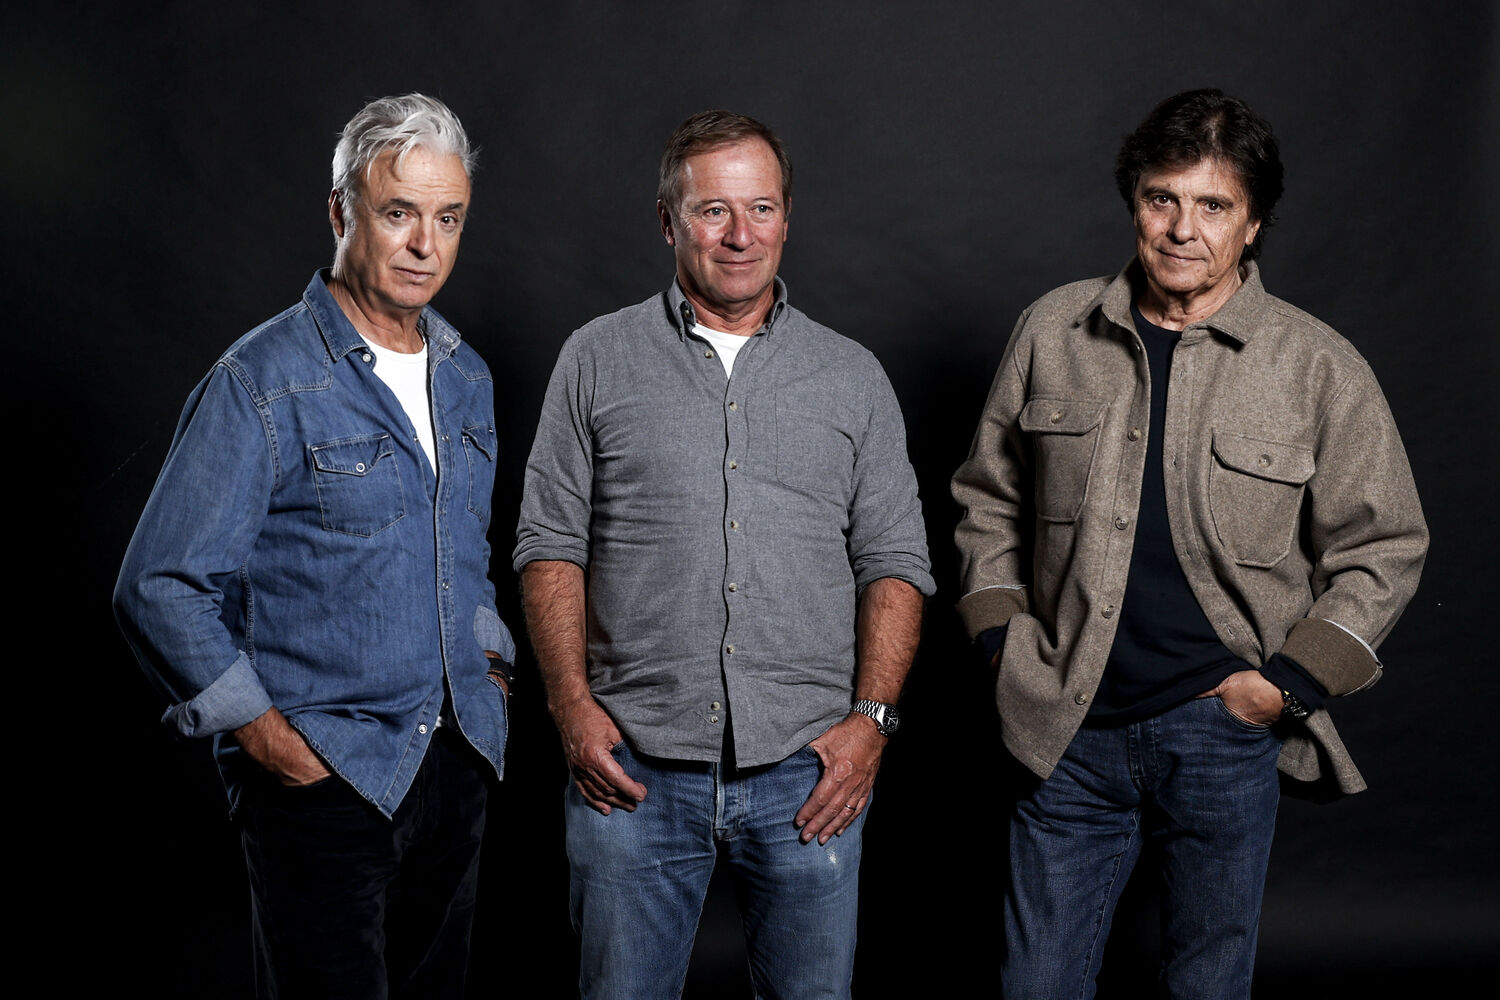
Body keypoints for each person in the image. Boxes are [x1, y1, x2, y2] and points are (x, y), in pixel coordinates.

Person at [951, 88, 1427, 999]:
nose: (1181, 229)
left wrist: (1284, 685)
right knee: (1035, 984)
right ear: (1134, 202)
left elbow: (1387, 545)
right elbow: (987, 497)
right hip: (1064, 722)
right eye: (1161, 198)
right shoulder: (1053, 330)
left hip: (1222, 730)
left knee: (1207, 985)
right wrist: (1004, 642)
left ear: (1253, 224)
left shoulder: (1318, 365)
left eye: (1213, 205)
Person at [515, 109, 933, 999]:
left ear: (787, 216)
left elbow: (895, 561)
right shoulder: (595, 358)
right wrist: (569, 706)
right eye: (714, 211)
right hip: (629, 769)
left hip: (809, 772)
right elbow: (550, 544)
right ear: (669, 221)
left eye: (762, 208)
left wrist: (872, 725)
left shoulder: (852, 376)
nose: (742, 235)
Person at [114, 93, 513, 999]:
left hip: (454, 768)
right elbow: (158, 585)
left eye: (448, 218)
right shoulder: (263, 380)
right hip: (324, 785)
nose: (425, 245)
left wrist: (492, 676)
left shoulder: (467, 377)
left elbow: (465, 555)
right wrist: (268, 740)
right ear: (342, 212)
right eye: (399, 212)